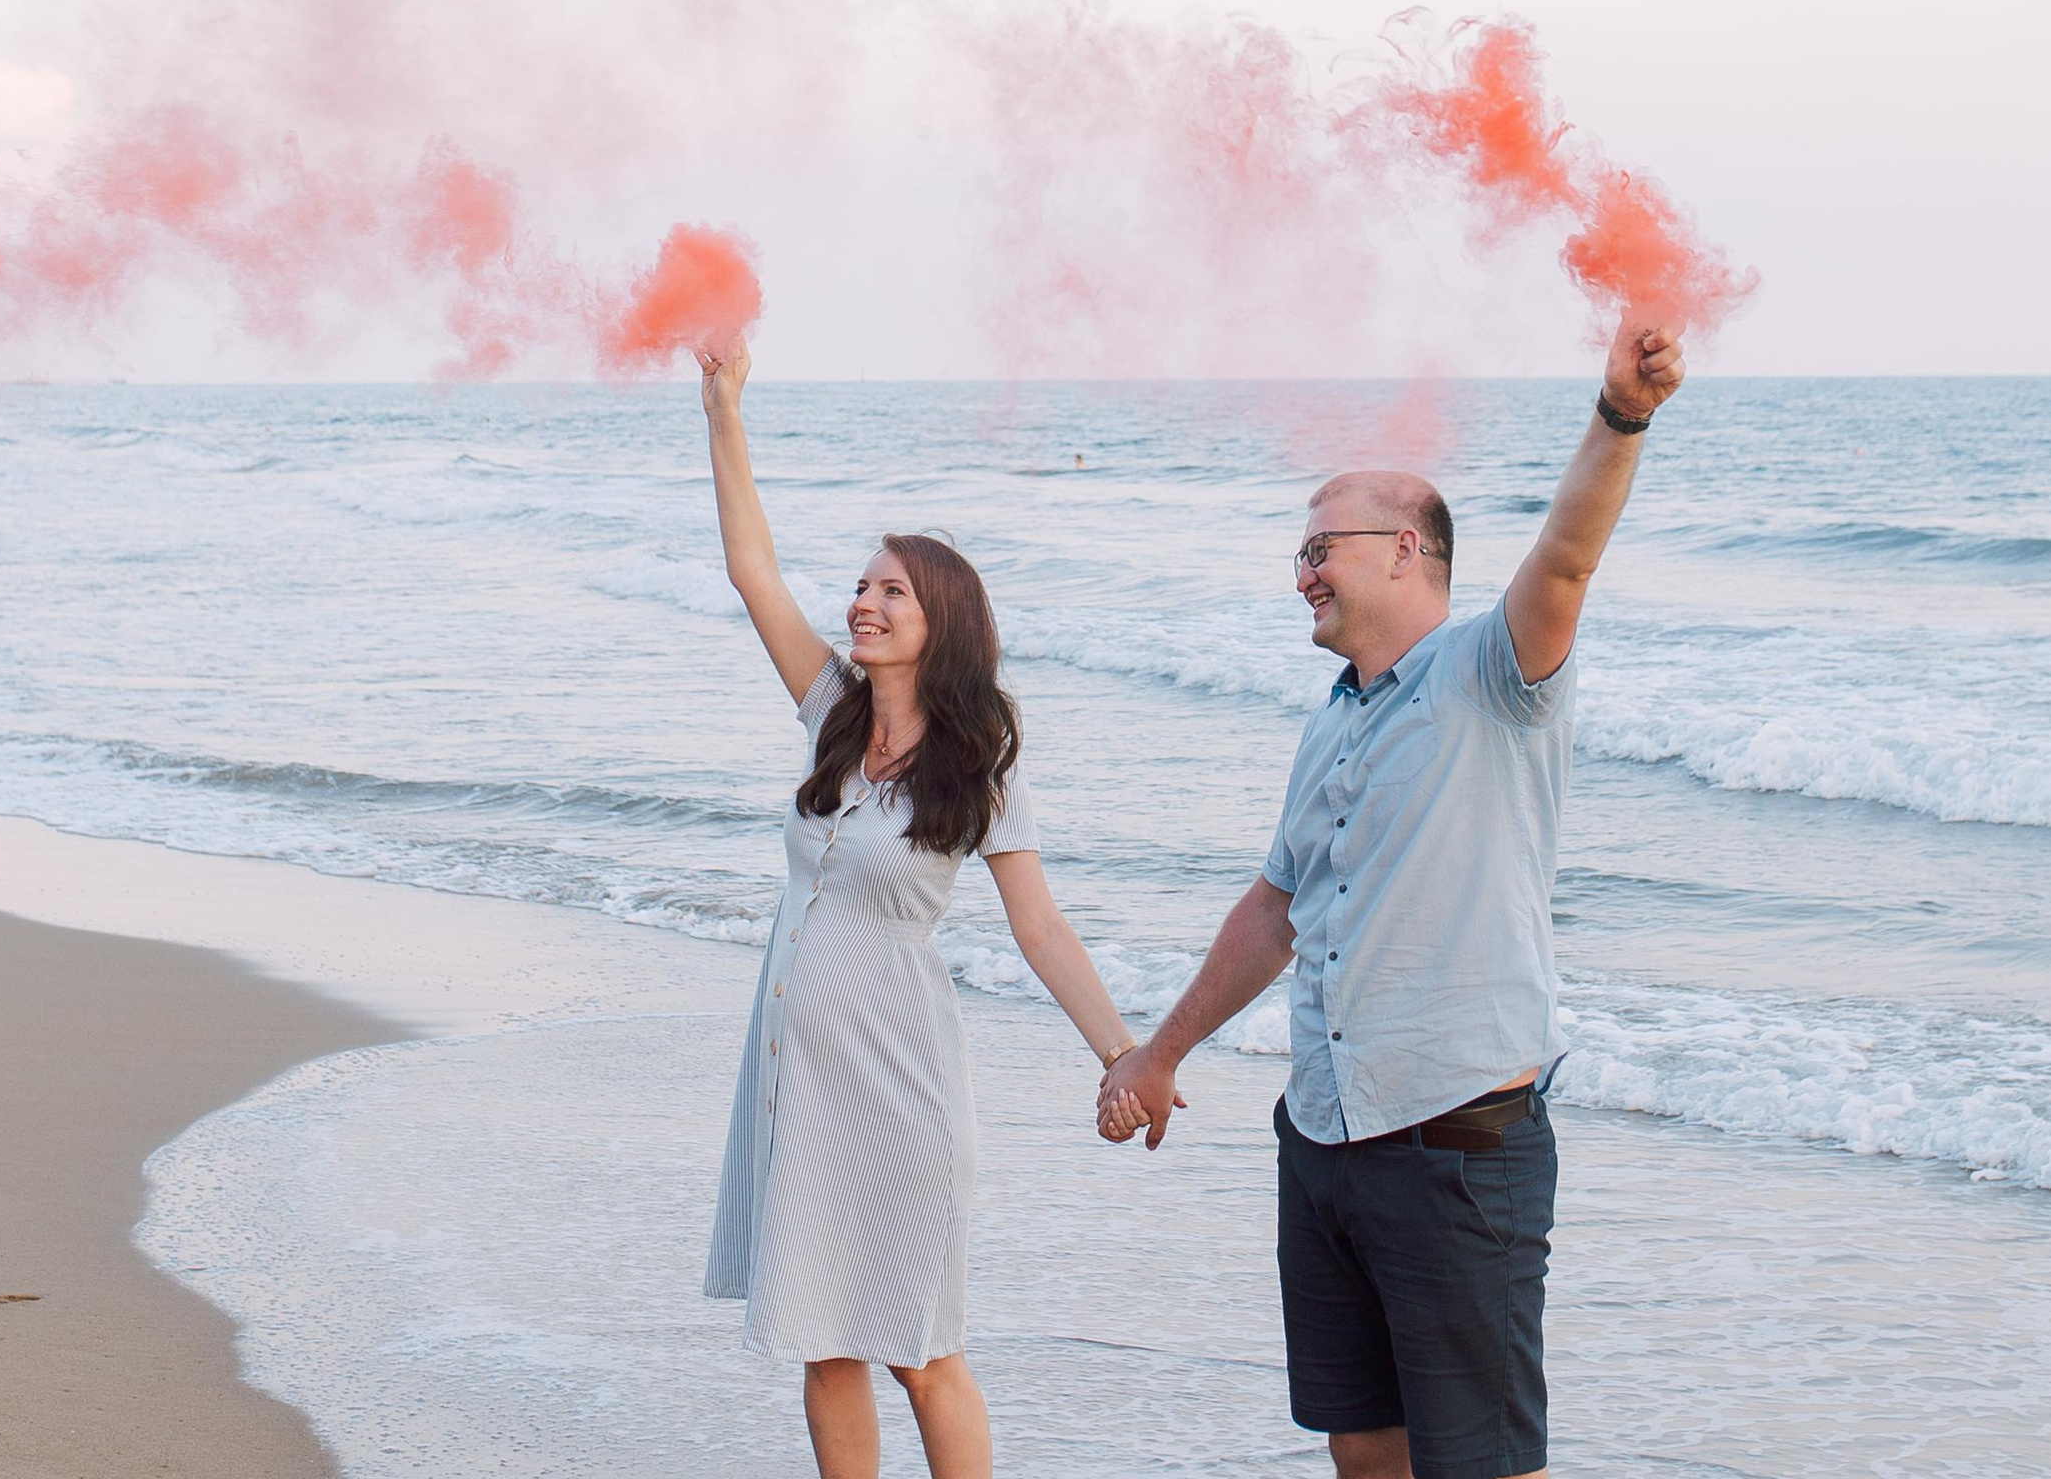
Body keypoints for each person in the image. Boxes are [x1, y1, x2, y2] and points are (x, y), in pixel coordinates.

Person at [1097, 317, 1688, 1479]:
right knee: (1360, 1441)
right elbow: (1274, 909)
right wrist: (1160, 1051)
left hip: (1456, 1145)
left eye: (1323, 545)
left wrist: (1620, 415)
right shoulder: (1332, 716)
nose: (1302, 569)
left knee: (1477, 1464)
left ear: (1407, 548)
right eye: (1299, 550)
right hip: (1323, 1136)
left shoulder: (1493, 674)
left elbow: (1566, 556)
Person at [697, 345, 1145, 1479]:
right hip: (800, 1075)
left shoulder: (979, 762)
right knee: (821, 1339)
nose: (861, 601)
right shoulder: (831, 714)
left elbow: (1039, 928)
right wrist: (723, 408)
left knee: (919, 1348)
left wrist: (1124, 1054)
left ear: (939, 617)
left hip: (900, 1087)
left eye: (890, 589)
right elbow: (754, 570)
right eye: (860, 584)